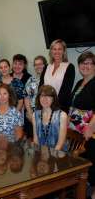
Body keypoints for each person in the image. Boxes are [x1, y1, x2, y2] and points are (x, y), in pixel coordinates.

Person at [68, 52, 95, 197]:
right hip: (77, 130)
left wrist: (91, 126)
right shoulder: (80, 82)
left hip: (90, 131)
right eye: (83, 63)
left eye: (89, 63)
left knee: (91, 163)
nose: (85, 66)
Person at [39, 39, 75, 112]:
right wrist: (44, 103)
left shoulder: (69, 67)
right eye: (54, 49)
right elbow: (41, 86)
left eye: (59, 49)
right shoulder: (47, 66)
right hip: (44, 106)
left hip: (60, 107)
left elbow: (66, 91)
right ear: (51, 51)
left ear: (64, 51)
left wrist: (53, 106)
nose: (57, 52)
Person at [32, 85, 67, 151]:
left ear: (53, 99)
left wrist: (51, 158)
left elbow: (60, 144)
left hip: (57, 154)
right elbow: (36, 139)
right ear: (39, 98)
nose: (45, 99)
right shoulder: (35, 115)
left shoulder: (62, 115)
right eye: (42, 96)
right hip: (41, 152)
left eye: (48, 96)